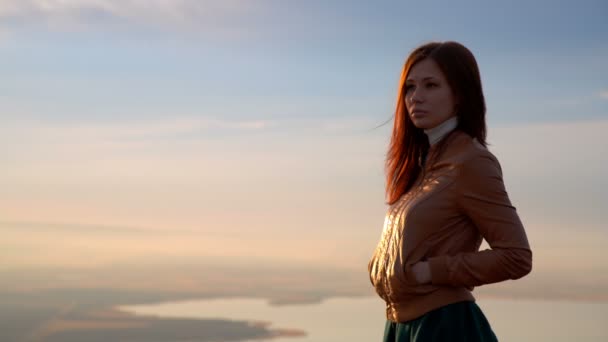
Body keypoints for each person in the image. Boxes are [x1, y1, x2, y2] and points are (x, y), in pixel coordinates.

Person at [367, 41, 533, 341]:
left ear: (460, 94)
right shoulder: (422, 166)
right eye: (410, 88)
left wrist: (431, 271)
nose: (416, 97)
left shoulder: (472, 162)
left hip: (445, 327)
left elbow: (516, 256)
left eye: (431, 85)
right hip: (403, 327)